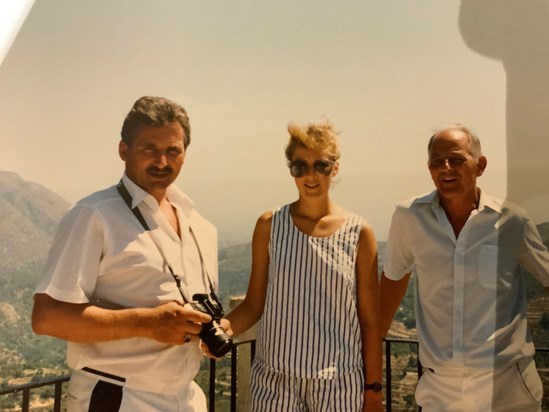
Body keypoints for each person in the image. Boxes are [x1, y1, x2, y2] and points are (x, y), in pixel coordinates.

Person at [31, 96, 230, 412]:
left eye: (173, 151)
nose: (162, 161)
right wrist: (148, 323)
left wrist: (207, 329)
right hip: (117, 398)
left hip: (187, 398)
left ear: (185, 154)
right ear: (124, 150)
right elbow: (46, 317)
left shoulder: (200, 225)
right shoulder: (93, 215)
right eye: (149, 149)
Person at [379, 124, 549, 412]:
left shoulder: (512, 221)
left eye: (457, 159)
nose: (446, 167)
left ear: (480, 165)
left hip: (508, 387)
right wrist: (370, 376)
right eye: (437, 161)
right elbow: (391, 286)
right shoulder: (409, 217)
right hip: (440, 391)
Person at [226, 121, 382, 412]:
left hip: (339, 385)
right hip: (274, 382)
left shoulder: (360, 233)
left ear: (335, 169)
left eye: (320, 166)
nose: (310, 175)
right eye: (300, 166)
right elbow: (253, 304)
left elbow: (370, 319)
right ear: (291, 169)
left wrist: (373, 391)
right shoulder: (269, 226)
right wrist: (222, 328)